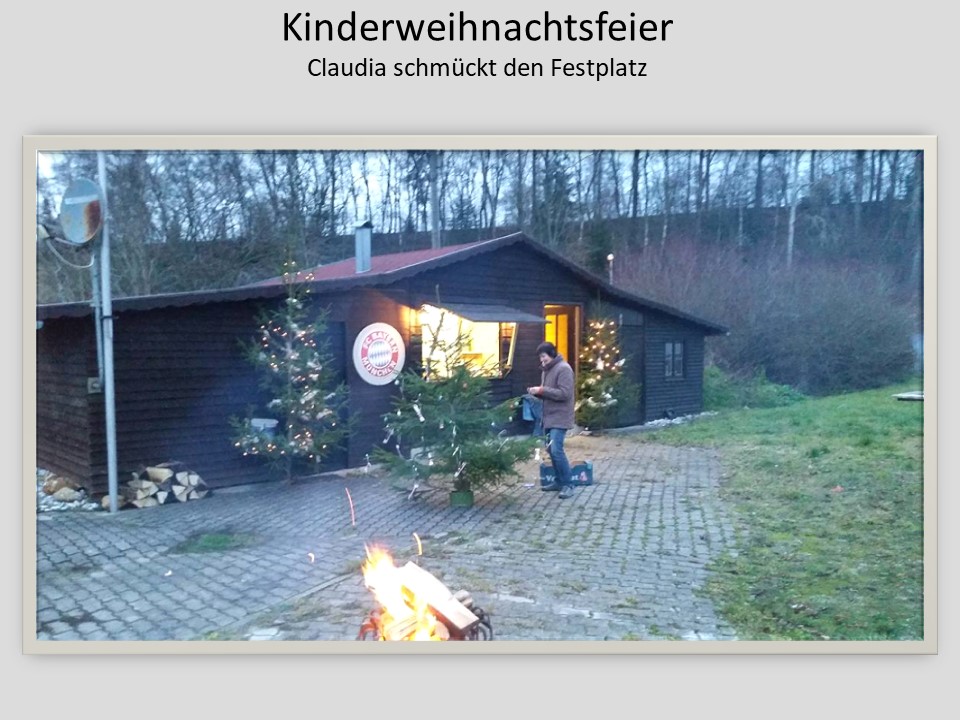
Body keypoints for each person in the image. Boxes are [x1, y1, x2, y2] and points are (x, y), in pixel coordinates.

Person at [527, 341, 576, 499]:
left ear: (552, 354)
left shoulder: (564, 369)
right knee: (550, 449)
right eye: (540, 357)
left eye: (544, 356)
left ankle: (568, 484)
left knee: (556, 449)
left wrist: (542, 390)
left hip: (560, 416)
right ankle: (558, 481)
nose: (542, 360)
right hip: (548, 416)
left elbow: (564, 394)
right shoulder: (546, 371)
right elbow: (549, 393)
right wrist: (537, 393)